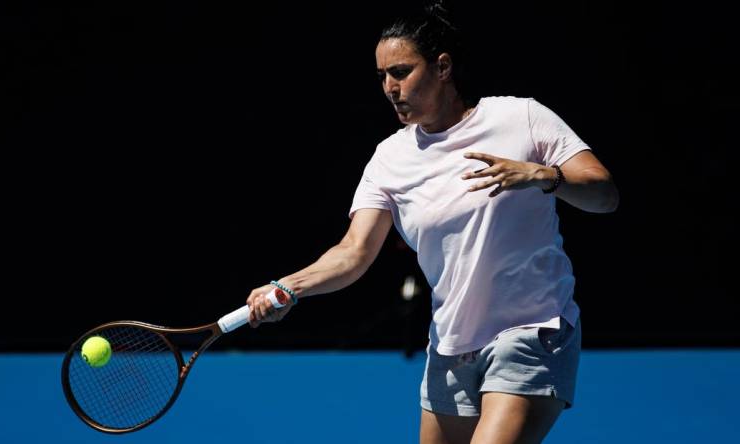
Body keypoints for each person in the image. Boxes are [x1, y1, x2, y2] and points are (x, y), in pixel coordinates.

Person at [246, 3, 618, 443]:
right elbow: (353, 252)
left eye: (401, 72)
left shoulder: (521, 118)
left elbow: (604, 194)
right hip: (451, 345)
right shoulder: (389, 158)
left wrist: (542, 176)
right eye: (382, 75)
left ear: (442, 67)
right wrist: (289, 285)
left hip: (533, 330)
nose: (390, 87)